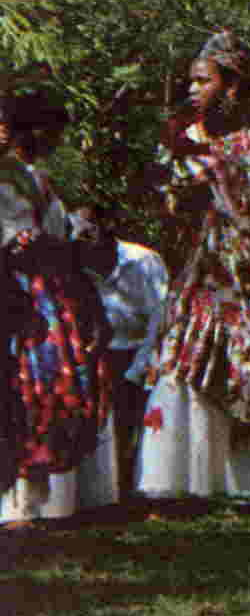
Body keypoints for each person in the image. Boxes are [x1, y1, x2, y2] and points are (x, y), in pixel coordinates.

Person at [135, 32, 250, 509]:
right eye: (191, 82)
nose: (193, 91)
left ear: (233, 85)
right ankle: (190, 480)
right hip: (208, 272)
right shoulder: (187, 141)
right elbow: (171, 209)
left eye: (203, 81)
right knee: (189, 359)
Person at [0, 91, 118, 523]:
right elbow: (19, 245)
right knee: (26, 388)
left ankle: (35, 501)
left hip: (53, 294)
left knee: (50, 390)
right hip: (19, 299)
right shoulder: (7, 180)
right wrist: (67, 246)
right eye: (49, 130)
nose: (54, 139)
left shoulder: (40, 180)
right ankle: (16, 502)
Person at [71, 205, 170, 503]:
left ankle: (138, 487)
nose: (83, 239)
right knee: (103, 425)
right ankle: (109, 490)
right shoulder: (78, 264)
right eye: (77, 233)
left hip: (145, 349)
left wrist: (139, 368)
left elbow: (160, 318)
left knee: (142, 424)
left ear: (107, 226)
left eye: (89, 231)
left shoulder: (143, 261)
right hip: (101, 352)